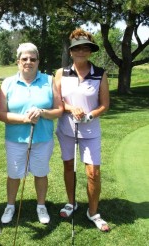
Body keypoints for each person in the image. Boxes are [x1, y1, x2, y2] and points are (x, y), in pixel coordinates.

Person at [0, 43, 63, 224]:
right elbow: (1, 114)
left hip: (42, 138)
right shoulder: (8, 83)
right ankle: (10, 205)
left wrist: (42, 112)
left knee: (41, 173)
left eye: (32, 59)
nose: (28, 62)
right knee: (14, 174)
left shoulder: (49, 81)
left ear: (38, 61)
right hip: (16, 139)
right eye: (24, 59)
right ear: (18, 62)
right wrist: (24, 119)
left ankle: (41, 206)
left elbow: (59, 110)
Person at [55, 28, 110, 232]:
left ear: (90, 51)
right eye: (77, 48)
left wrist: (90, 114)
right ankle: (71, 203)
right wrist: (70, 108)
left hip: (90, 131)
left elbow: (105, 104)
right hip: (66, 129)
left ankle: (93, 212)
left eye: (85, 48)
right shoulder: (61, 73)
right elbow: (57, 100)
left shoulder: (100, 74)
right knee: (69, 166)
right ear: (71, 51)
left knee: (93, 172)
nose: (81, 51)